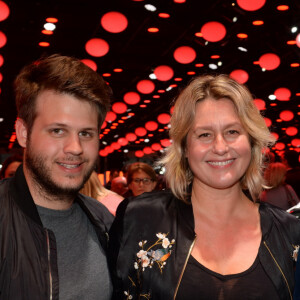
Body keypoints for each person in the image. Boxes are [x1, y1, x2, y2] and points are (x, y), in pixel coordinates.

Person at [108, 74, 300, 300]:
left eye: (232, 132)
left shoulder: (289, 232)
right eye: (205, 134)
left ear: (251, 142)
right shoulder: (139, 218)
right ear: (185, 148)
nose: (220, 147)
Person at [0, 54, 114, 300]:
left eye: (86, 133)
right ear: (23, 132)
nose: (75, 147)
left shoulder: (105, 222)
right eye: (58, 130)